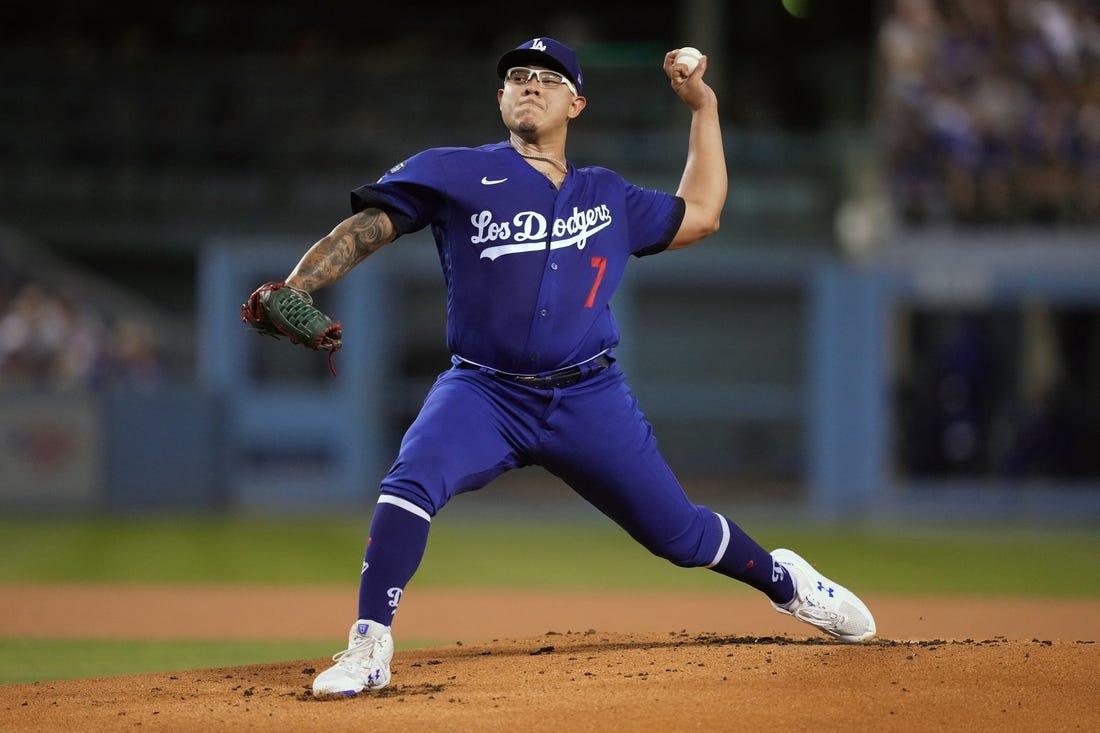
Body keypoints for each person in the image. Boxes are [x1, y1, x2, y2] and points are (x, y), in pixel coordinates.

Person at [259, 37, 876, 697]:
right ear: (499, 98)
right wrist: (298, 284)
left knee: (681, 534)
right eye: (517, 77)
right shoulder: (454, 172)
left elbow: (703, 214)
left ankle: (789, 583)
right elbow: (364, 228)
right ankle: (368, 645)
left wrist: (705, 107)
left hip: (589, 395)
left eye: (548, 79)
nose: (529, 84)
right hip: (483, 391)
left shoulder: (606, 196)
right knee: (411, 478)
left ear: (576, 102)